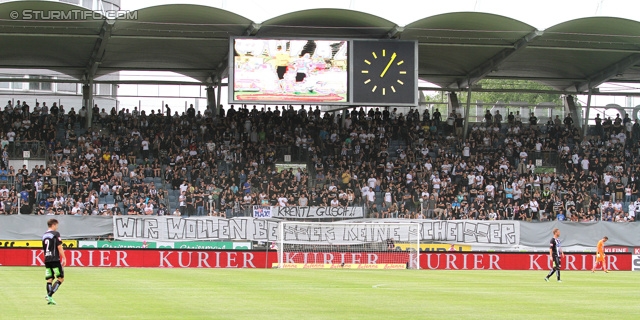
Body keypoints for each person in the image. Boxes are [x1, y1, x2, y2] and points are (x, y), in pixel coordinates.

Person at [42, 218, 66, 305]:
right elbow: (59, 247)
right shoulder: (55, 234)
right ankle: (49, 295)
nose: (57, 227)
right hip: (55, 259)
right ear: (53, 225)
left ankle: (50, 299)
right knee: (61, 278)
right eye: (56, 225)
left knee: (49, 279)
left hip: (47, 259)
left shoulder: (44, 235)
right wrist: (64, 258)